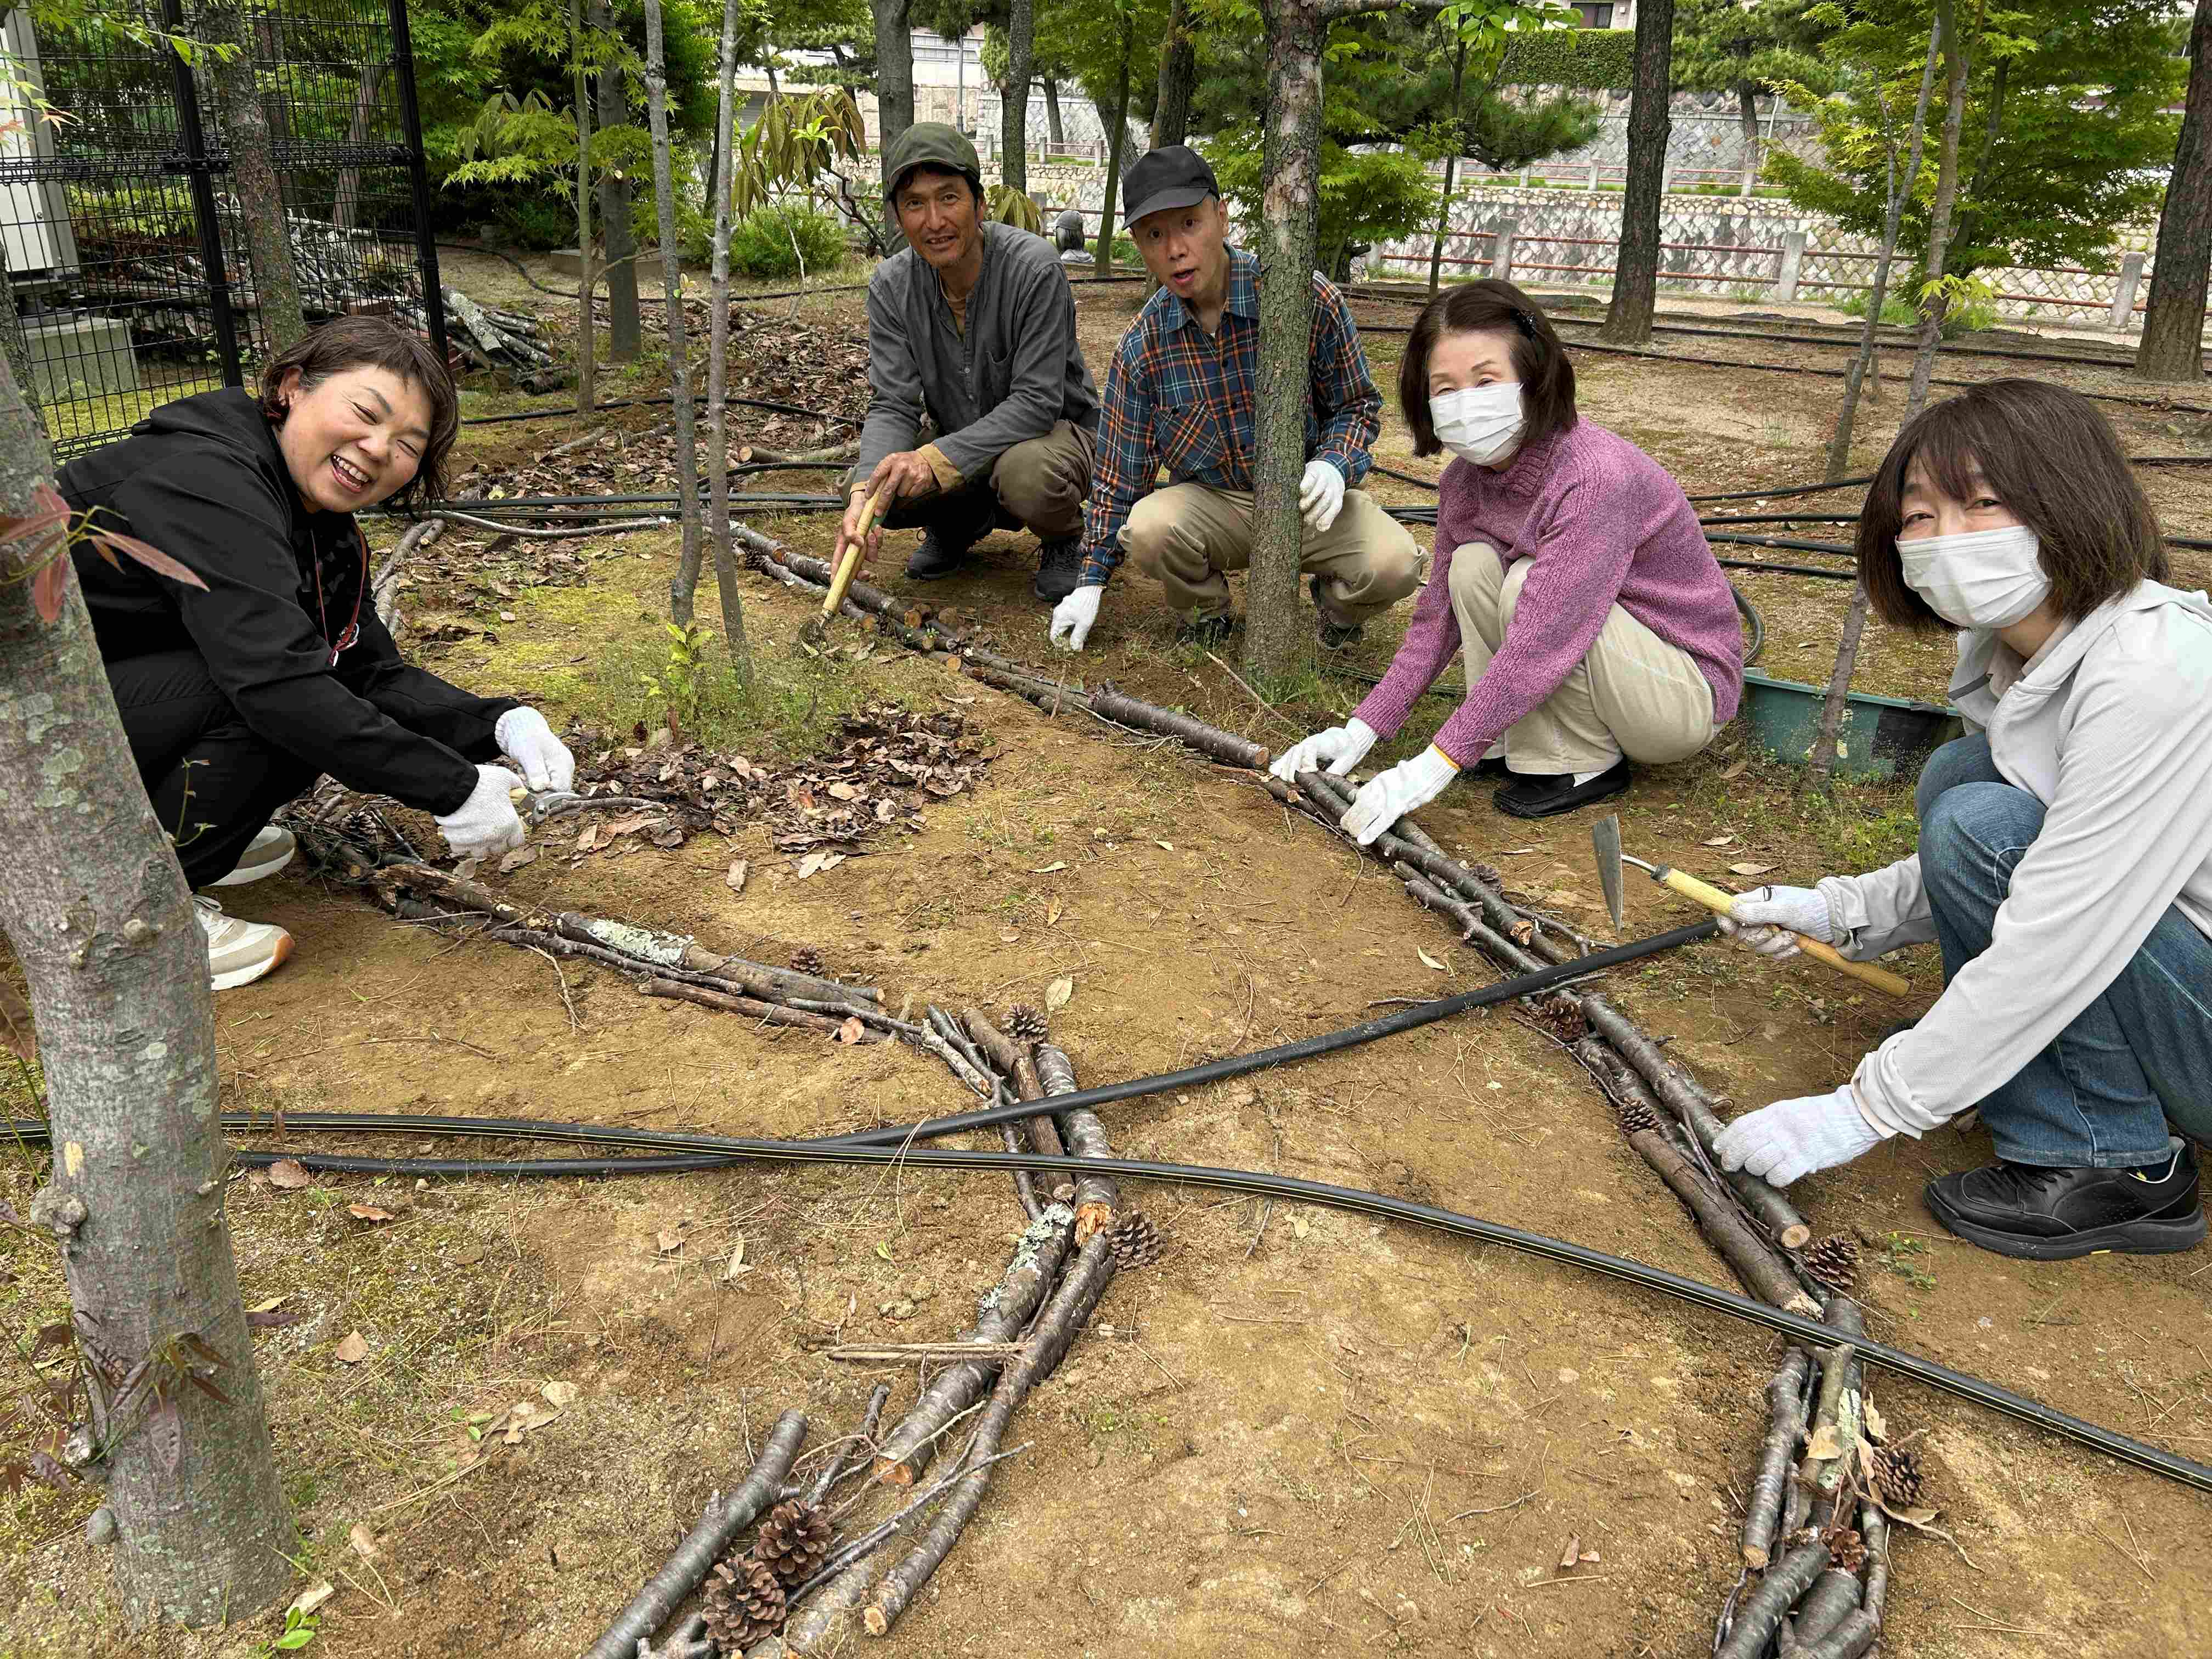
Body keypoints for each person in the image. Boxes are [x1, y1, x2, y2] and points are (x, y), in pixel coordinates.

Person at [1712, 379, 2210, 1261]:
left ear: (2070, 498)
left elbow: (2065, 922)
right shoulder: (2012, 648)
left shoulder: (2154, 671)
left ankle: (2115, 1159)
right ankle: (2033, 1073)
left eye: (1984, 504)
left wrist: (1866, 1109)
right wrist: (1839, 912)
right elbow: (2039, 851)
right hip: (2169, 968)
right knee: (1966, 779)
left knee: (1979, 816)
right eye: (1920, 515)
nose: (1947, 539)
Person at [60, 316, 570, 991]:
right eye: (365, 413)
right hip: (26, 740)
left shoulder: (315, 520)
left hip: (94, 697)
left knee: (310, 690)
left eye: (407, 444)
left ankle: (181, 831)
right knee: (275, 701)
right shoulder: (208, 479)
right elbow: (279, 684)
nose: (378, 449)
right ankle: (132, 908)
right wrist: (450, 789)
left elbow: (367, 669)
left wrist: (500, 724)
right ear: (292, 387)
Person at [1273, 280, 1742, 826]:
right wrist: (1360, 731)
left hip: (1678, 694)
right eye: (1445, 388)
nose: (1465, 403)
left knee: (1525, 583)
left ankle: (1584, 763)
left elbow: (1543, 639)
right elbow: (1437, 620)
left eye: (1486, 381)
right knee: (1472, 566)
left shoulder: (1593, 476)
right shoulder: (1464, 482)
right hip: (1602, 656)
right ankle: (1504, 744)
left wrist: (1433, 765)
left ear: (1534, 375)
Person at [1047, 145, 1419, 654]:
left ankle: (1337, 611)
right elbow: (1119, 478)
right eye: (1154, 235)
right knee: (1149, 528)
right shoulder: (1142, 348)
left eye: (1189, 224)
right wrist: (1090, 582)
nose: (1175, 249)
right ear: (1138, 245)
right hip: (1215, 508)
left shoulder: (1303, 299)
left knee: (1395, 563)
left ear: (1222, 218)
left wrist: (1334, 464)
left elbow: (1356, 405)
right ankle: (1206, 614)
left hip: (1304, 498)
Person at [840, 123, 1099, 601]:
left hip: (1053, 441)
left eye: (949, 198)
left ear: (979, 205)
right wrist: (863, 498)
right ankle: (958, 523)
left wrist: (931, 460)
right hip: (964, 444)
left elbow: (1038, 403)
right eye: (915, 204)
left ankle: (1064, 537)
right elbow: (893, 403)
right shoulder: (892, 287)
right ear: (898, 217)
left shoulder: (1034, 268)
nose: (934, 221)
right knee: (873, 482)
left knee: (1026, 472)